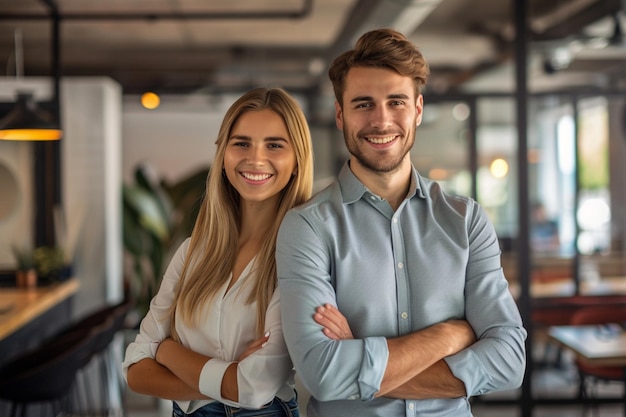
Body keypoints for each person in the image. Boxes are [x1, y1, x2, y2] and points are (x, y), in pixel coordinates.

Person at [276, 28, 527, 416]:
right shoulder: (307, 227)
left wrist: (361, 361)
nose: (382, 120)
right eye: (364, 104)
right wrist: (450, 335)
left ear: (418, 110)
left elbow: (509, 360)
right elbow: (322, 374)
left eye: (396, 102)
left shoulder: (467, 221)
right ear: (340, 115)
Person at [123, 87, 314, 417]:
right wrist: (228, 375)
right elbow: (135, 371)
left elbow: (253, 389)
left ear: (297, 160)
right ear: (223, 155)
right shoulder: (192, 253)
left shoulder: (299, 256)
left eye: (275, 145)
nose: (255, 158)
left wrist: (166, 350)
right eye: (241, 143)